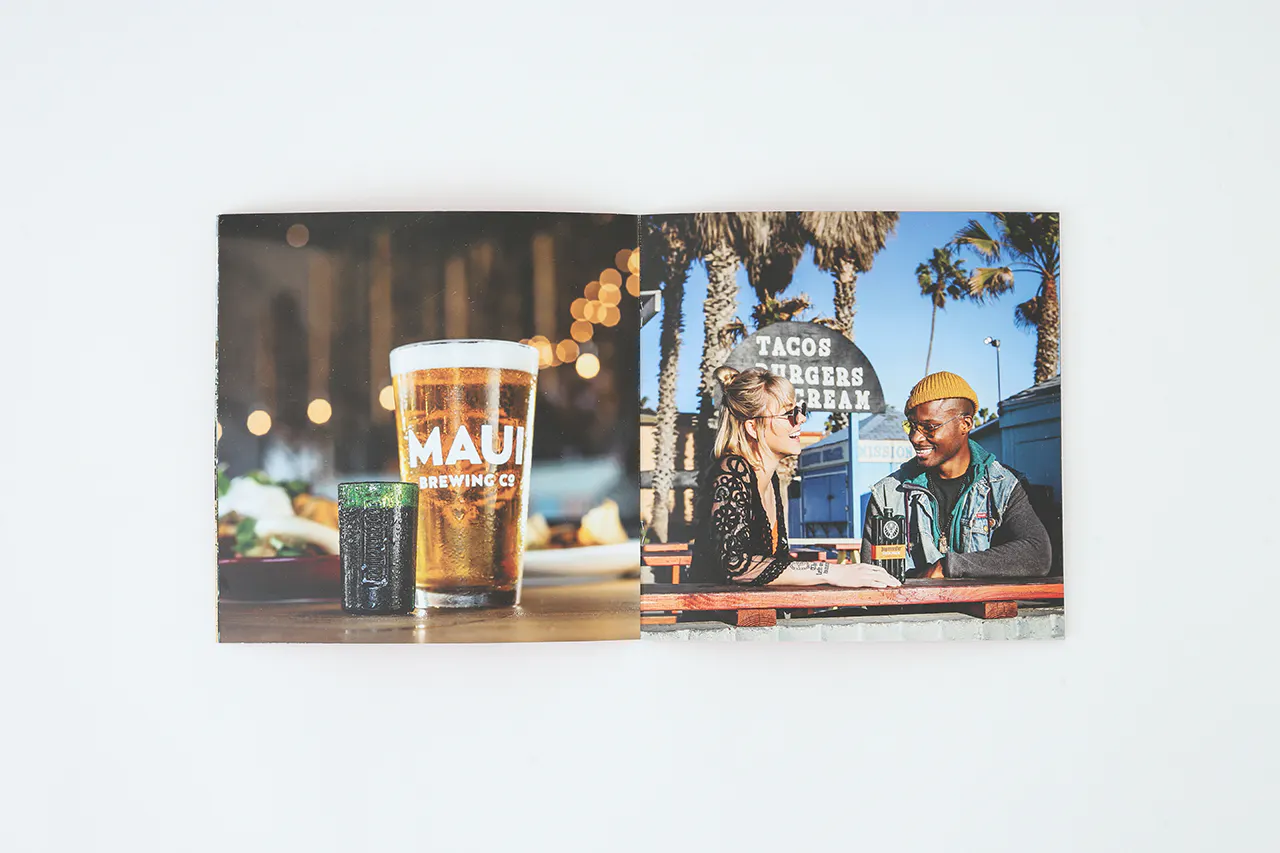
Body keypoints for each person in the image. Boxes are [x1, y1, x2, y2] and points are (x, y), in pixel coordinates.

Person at [689, 366, 901, 588]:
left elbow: (775, 565)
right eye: (788, 414)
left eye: (800, 410)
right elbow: (736, 566)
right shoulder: (732, 470)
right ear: (752, 427)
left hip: (755, 616)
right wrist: (831, 571)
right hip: (715, 618)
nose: (800, 419)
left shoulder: (771, 479)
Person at [863, 371, 1052, 579]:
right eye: (912, 426)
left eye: (929, 427)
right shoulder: (888, 494)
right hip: (910, 611)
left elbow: (1037, 553)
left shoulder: (1003, 486)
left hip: (981, 611)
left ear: (965, 424)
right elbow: (870, 577)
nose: (916, 438)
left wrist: (948, 567)